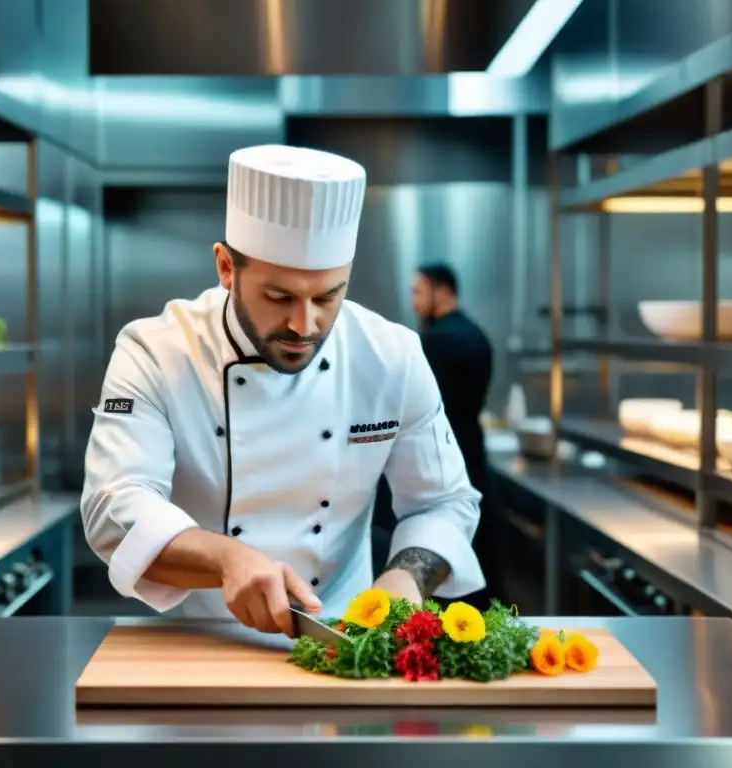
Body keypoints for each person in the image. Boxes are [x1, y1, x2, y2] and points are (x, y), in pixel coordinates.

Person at [82, 144, 484, 638]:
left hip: (344, 641)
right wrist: (226, 559)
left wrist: (406, 579)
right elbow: (114, 508)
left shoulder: (392, 355)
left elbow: (444, 502)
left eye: (328, 297)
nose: (304, 324)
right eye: (279, 297)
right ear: (226, 268)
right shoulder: (156, 352)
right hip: (200, 646)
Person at [410, 265, 494, 604]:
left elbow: (428, 415)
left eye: (418, 292)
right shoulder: (475, 332)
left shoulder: (439, 340)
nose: (414, 302)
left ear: (442, 292)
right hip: (474, 455)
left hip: (448, 461)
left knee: (455, 564)